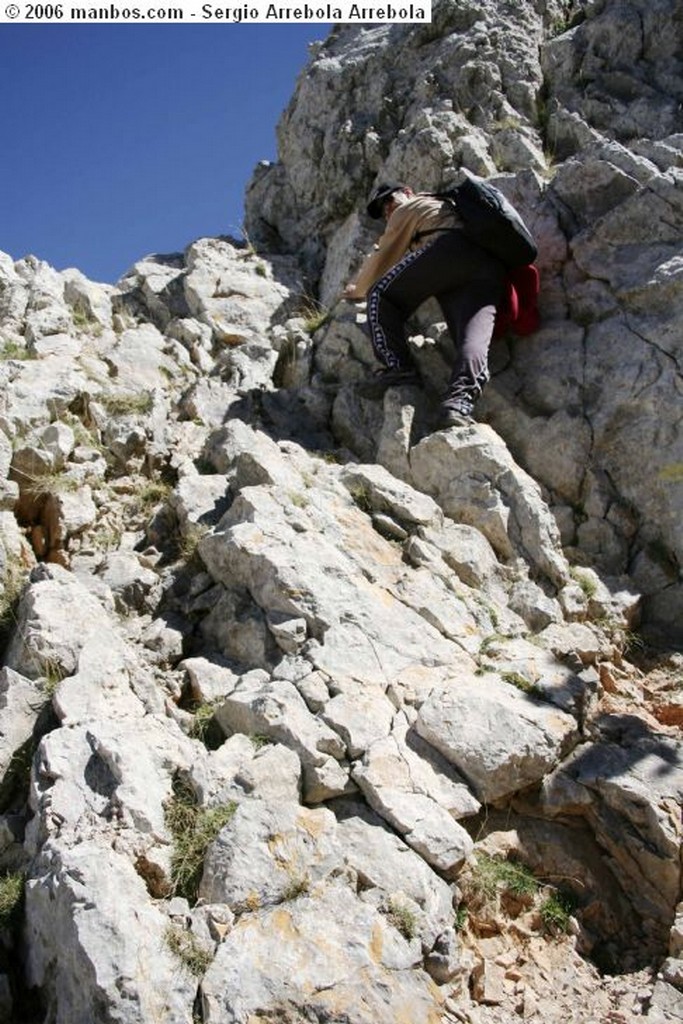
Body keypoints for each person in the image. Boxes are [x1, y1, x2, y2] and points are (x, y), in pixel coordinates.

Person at [343, 182, 507, 428]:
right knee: (470, 341)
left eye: (389, 200)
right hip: (488, 267)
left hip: (450, 250)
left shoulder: (411, 207)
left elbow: (383, 257)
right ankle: (458, 405)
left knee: (380, 295)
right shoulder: (445, 207)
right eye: (383, 209)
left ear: (408, 192)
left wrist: (358, 289)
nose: (388, 210)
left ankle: (399, 368)